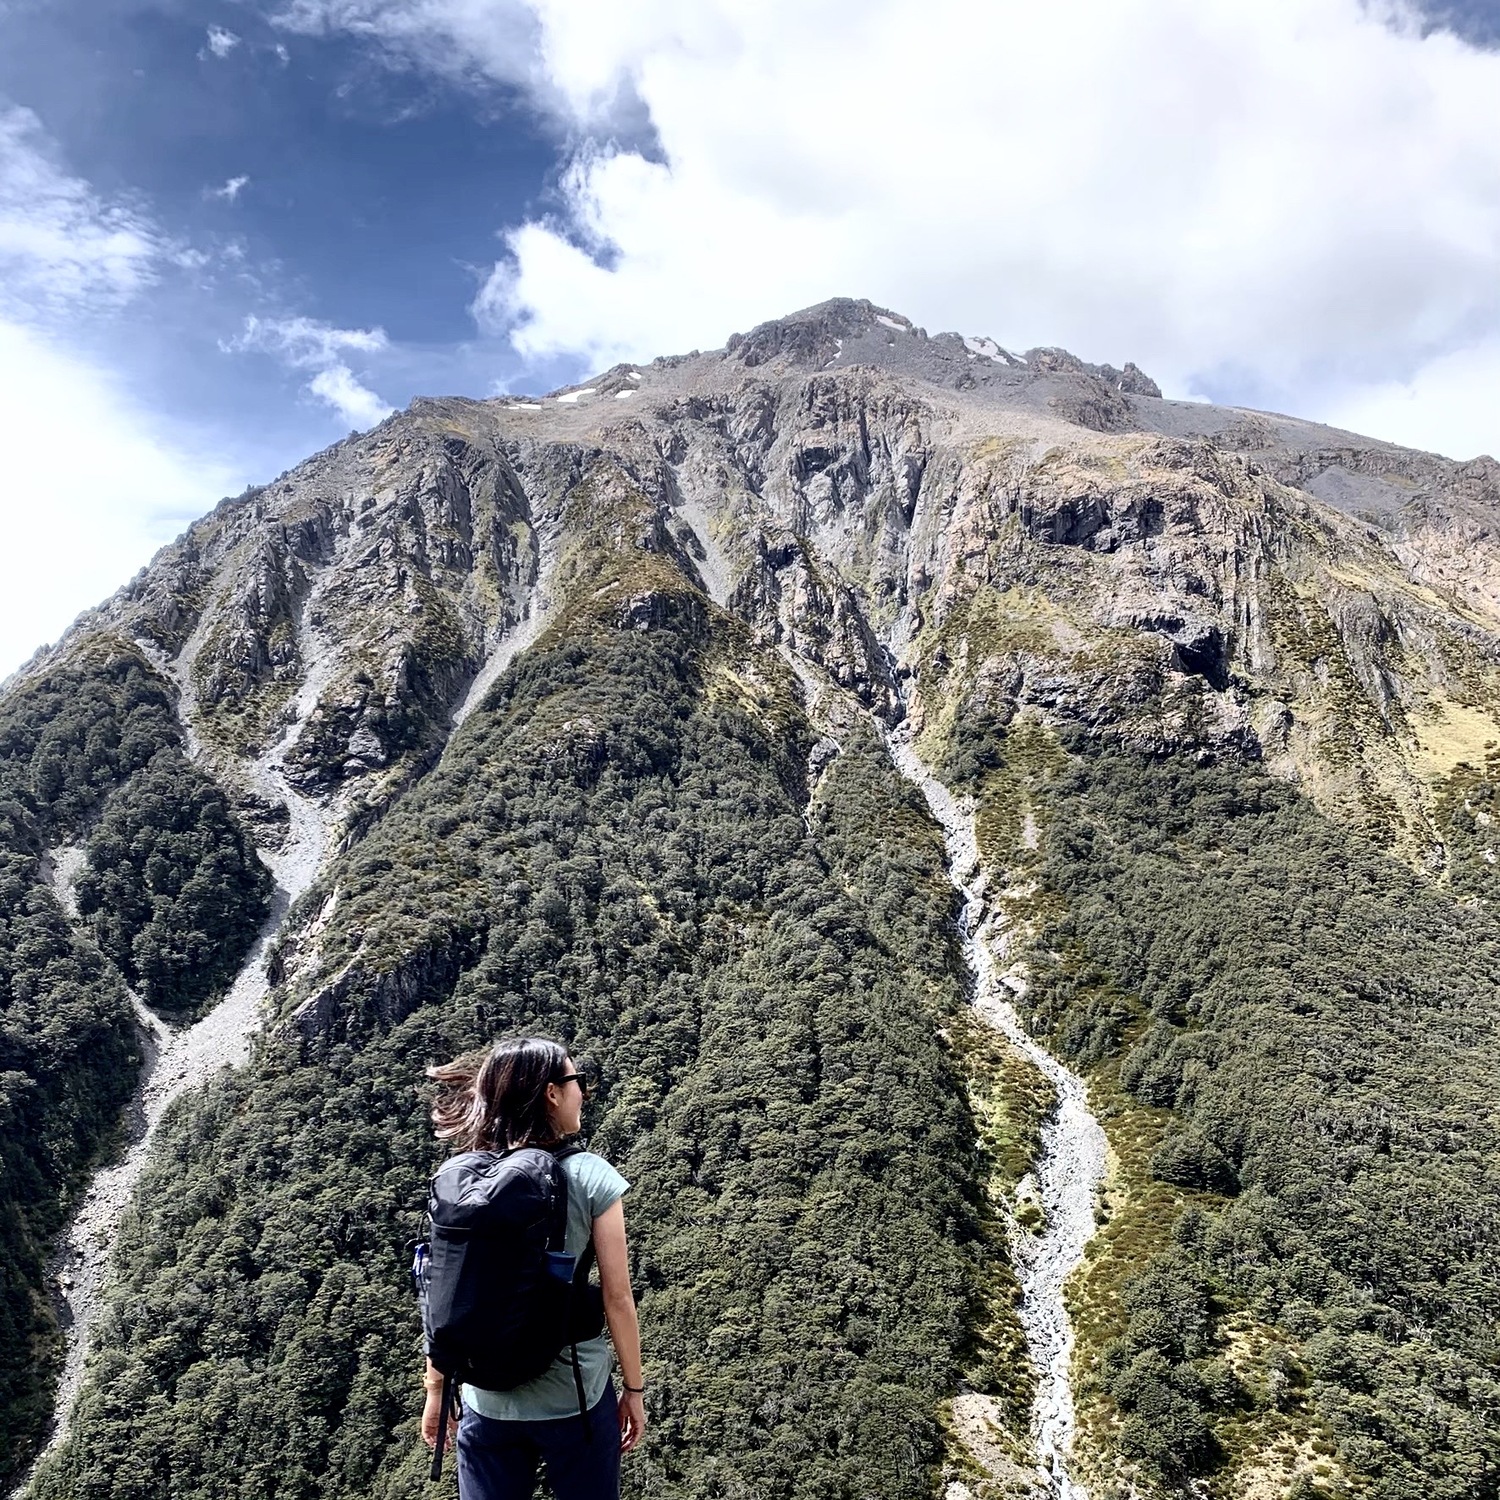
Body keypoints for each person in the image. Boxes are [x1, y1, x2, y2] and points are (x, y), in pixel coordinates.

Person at [419, 1037, 646, 1500]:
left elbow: (445, 1290)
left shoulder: (463, 1180)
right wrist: (634, 1391)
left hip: (485, 1400)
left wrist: (436, 1391)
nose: (583, 1091)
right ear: (551, 1093)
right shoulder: (588, 1175)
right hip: (573, 1398)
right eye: (576, 1080)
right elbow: (617, 1298)